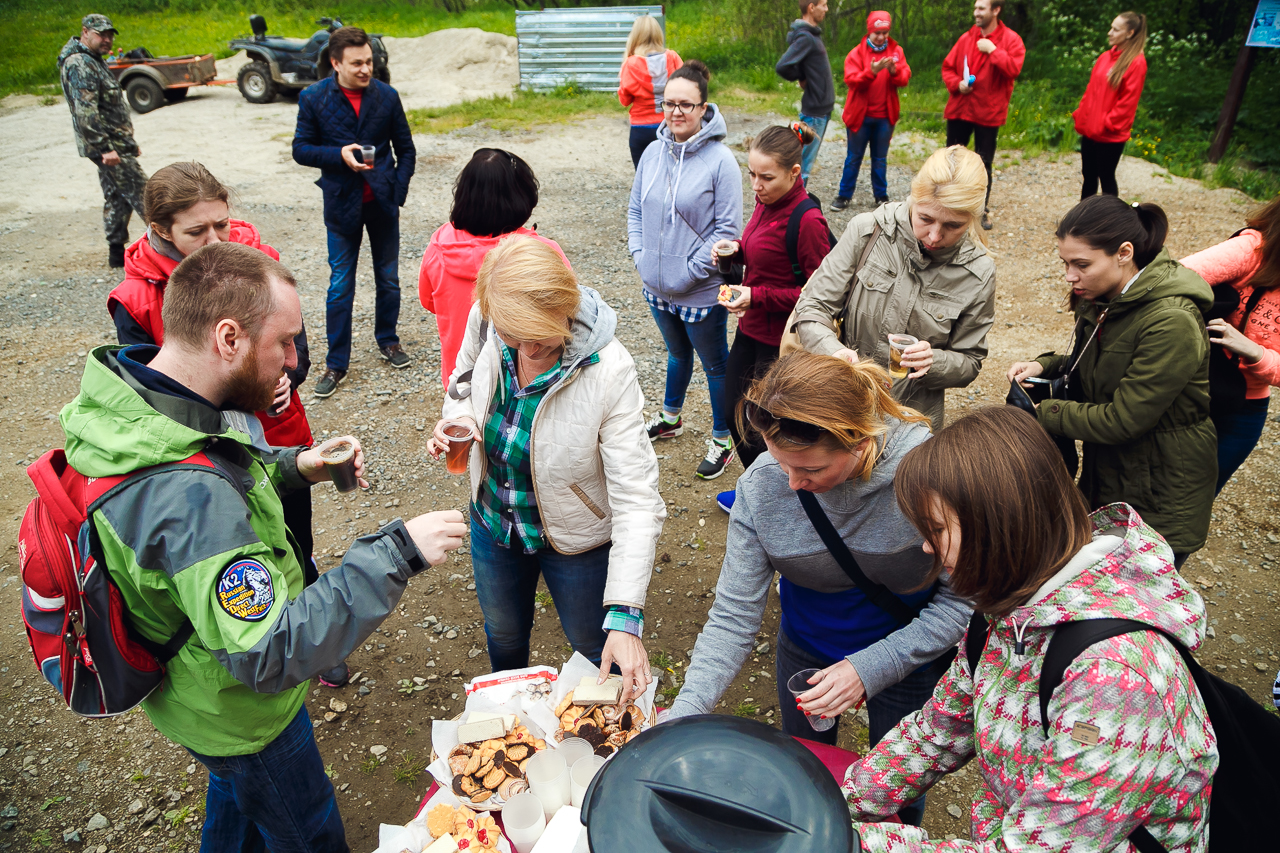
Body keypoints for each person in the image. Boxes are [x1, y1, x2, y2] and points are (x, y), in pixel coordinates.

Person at [62, 240, 468, 851]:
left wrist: (296, 466)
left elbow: (215, 469)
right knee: (306, 832)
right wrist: (397, 551)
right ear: (228, 338)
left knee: (234, 799)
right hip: (243, 714)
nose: (293, 360)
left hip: (199, 697)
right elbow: (271, 649)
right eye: (283, 341)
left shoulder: (146, 399)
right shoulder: (190, 501)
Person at [844, 405, 1215, 852]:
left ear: (1000, 521)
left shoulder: (1114, 679)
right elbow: (940, 728)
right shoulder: (1009, 609)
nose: (926, 546)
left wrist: (845, 842)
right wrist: (841, 801)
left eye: (937, 528)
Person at [667, 353, 970, 828]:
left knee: (897, 787)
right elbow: (733, 616)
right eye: (778, 460)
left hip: (908, 653)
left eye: (809, 469)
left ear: (858, 442)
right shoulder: (762, 486)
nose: (790, 483)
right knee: (803, 772)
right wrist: (685, 711)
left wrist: (870, 667)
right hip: (805, 647)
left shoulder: (927, 474)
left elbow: (960, 601)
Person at [103, 162, 351, 689]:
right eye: (198, 231)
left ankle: (307, 631)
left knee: (290, 531)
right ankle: (251, 638)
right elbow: (154, 386)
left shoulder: (258, 263)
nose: (216, 240)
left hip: (276, 433)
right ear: (160, 229)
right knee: (231, 540)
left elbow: (295, 344)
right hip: (207, 451)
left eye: (222, 224)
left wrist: (290, 375)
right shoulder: (136, 297)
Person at [430, 237, 665, 702]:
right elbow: (462, 384)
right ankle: (511, 712)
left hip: (576, 542)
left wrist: (624, 614)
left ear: (564, 308)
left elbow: (638, 498)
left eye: (538, 336)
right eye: (513, 337)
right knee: (503, 635)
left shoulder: (611, 369)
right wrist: (458, 421)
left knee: (593, 645)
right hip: (493, 518)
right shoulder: (489, 319)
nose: (526, 348)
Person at [1008, 195, 1215, 566]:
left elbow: (1124, 419)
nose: (1069, 276)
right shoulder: (1108, 296)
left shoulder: (1171, 321)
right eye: (1065, 263)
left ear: (1123, 252)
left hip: (1160, 489)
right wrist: (1045, 367)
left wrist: (1044, 412)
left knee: (1135, 598)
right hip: (1111, 475)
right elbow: (1099, 363)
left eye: (1081, 264)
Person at [792, 145, 996, 431]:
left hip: (912, 423)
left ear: (974, 217)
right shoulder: (867, 231)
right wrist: (833, 351)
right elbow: (812, 308)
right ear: (913, 198)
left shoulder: (979, 272)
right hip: (841, 407)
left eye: (953, 225)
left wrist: (934, 362)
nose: (935, 236)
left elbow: (970, 361)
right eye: (925, 218)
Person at [628, 61, 744, 480]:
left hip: (698, 292)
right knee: (677, 355)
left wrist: (688, 273)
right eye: (669, 103)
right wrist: (640, 256)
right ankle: (671, 417)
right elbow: (636, 210)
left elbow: (727, 232)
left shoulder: (721, 161)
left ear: (703, 108)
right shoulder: (653, 152)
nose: (676, 112)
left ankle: (722, 438)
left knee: (716, 367)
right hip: (656, 286)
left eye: (685, 105)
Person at [710, 124, 833, 513]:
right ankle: (763, 494)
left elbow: (821, 294)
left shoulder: (808, 221)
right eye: (751, 174)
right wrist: (738, 251)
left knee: (770, 429)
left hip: (784, 343)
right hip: (751, 330)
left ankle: (786, 505)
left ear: (795, 173)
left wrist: (756, 296)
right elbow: (768, 253)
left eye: (766, 177)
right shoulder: (767, 203)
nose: (755, 185)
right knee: (735, 415)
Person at [293, 26, 417, 398]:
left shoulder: (387, 96)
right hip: (341, 205)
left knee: (389, 280)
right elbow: (301, 149)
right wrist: (338, 155)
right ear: (336, 63)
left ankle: (388, 341)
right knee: (340, 287)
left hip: (382, 204)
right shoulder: (313, 97)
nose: (366, 69)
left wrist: (397, 191)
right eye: (357, 63)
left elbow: (406, 149)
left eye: (369, 62)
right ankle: (336, 363)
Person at [419, 149, 570, 389]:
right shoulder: (542, 252)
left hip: (462, 376)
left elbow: (428, 302)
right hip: (528, 381)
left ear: (464, 193)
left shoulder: (440, 244)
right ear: (522, 194)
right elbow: (569, 311)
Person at [1181, 195, 1280, 493]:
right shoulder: (1255, 249)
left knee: (1197, 499)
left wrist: (1254, 351)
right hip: (1191, 387)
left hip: (1245, 409)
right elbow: (1170, 280)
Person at [58, 14, 147, 269]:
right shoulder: (80, 64)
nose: (107, 40)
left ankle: (116, 254)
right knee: (146, 195)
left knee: (117, 197)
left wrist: (128, 143)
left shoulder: (93, 60)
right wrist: (104, 148)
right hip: (108, 147)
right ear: (85, 32)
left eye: (110, 35)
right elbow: (85, 111)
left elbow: (107, 108)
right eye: (101, 34)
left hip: (117, 145)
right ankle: (174, 251)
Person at [940, 0, 1025, 231]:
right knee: (952, 159)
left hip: (989, 112)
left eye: (981, 9)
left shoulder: (1011, 40)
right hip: (960, 108)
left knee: (983, 162)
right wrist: (957, 84)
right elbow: (947, 68)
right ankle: (948, 204)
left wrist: (994, 51)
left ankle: (979, 210)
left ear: (996, 10)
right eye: (975, 8)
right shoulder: (966, 38)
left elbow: (1013, 69)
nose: (976, 13)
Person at [833, 11, 911, 211]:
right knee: (853, 157)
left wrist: (894, 72)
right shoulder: (856, 53)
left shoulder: (896, 51)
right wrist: (872, 72)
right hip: (860, 117)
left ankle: (881, 196)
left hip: (885, 117)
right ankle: (844, 195)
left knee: (880, 159)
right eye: (877, 32)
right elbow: (851, 80)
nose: (882, 36)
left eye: (885, 32)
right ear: (869, 31)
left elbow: (904, 78)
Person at [1073, 12, 1148, 200]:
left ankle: (1111, 225)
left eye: (1116, 29)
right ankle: (1082, 221)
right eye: (1111, 27)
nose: (1110, 33)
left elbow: (1128, 102)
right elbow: (1091, 91)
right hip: (1091, 130)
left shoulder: (1136, 62)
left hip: (1110, 135)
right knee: (1088, 176)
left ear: (1130, 33)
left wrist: (1108, 122)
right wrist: (1083, 115)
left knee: (1106, 178)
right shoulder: (1105, 57)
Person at [775, 0, 834, 186]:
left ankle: (795, 204)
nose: (826, 9)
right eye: (823, 5)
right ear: (811, 7)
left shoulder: (812, 35)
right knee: (803, 167)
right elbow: (783, 66)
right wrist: (801, 76)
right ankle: (794, 208)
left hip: (821, 111)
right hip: (815, 113)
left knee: (804, 165)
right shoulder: (806, 38)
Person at [618, 15, 683, 169]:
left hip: (640, 129)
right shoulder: (673, 58)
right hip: (669, 126)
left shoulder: (631, 63)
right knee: (671, 177)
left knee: (644, 179)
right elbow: (686, 89)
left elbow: (624, 101)